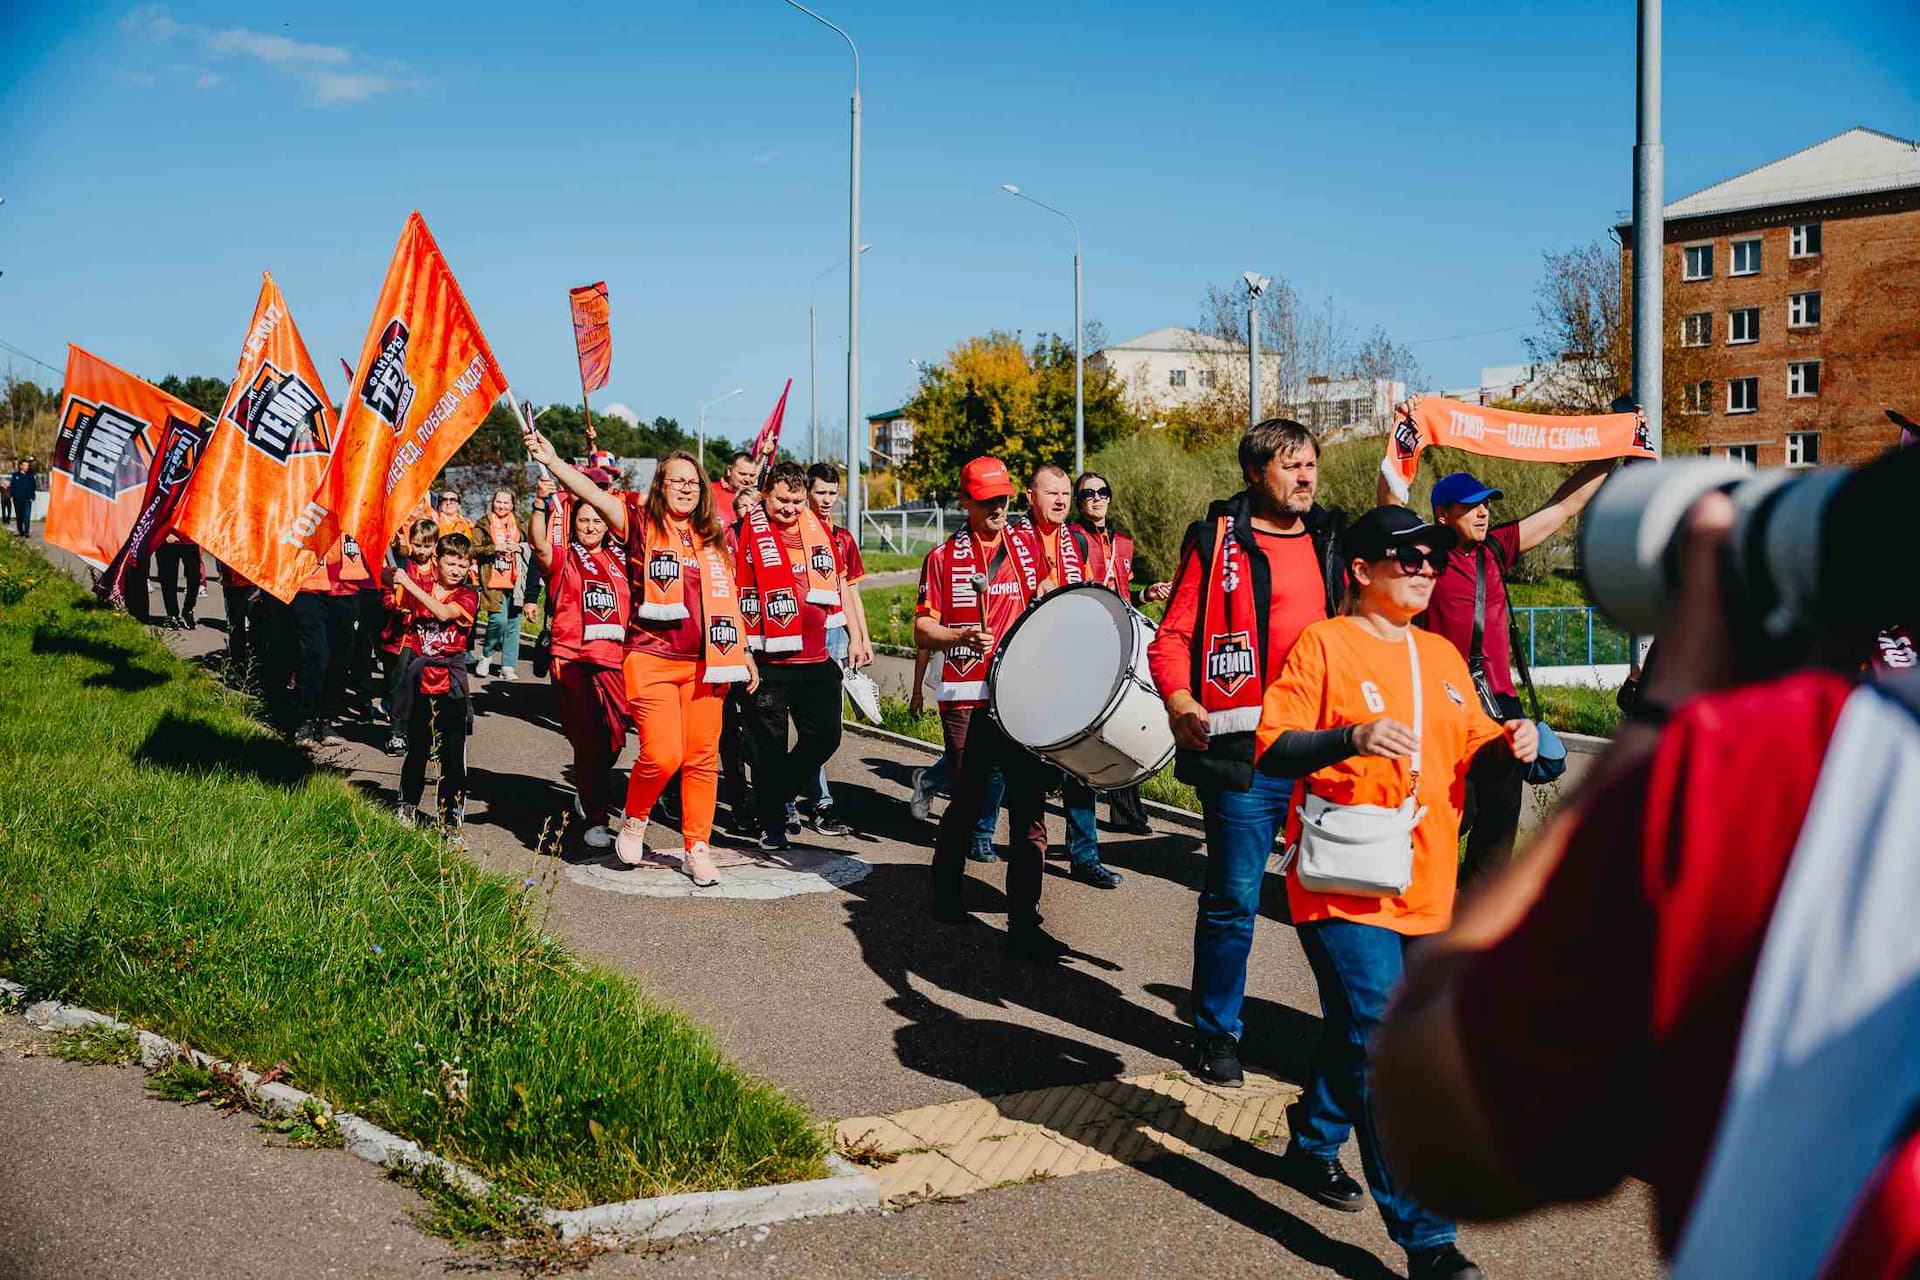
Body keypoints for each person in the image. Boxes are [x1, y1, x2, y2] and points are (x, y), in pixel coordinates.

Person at [1371, 448, 1920, 1280]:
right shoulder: (1439, 559)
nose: (1481, 516)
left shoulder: (1810, 774)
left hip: (1500, 738)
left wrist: (1669, 719)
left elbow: (1437, 1126)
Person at [1250, 504, 1536, 1280]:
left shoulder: (1442, 657)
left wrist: (1519, 741)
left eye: (1430, 560)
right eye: (1403, 557)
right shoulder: (1325, 644)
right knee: (1387, 1039)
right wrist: (1351, 737)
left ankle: (1312, 1138)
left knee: (1358, 1029)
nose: (1422, 568)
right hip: (1344, 882)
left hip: (1426, 881)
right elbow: (1273, 746)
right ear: (1362, 570)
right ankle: (1427, 1240)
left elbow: (1478, 740)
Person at [1147, 418, 1349, 1087]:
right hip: (1245, 757)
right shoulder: (1216, 542)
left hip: (1326, 751)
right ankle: (1216, 1034)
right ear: (1255, 472)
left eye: (1311, 465)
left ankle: (1347, 1036)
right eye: (1292, 466)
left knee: (1339, 900)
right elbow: (1171, 637)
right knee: (1234, 897)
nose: (1306, 477)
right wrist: (1179, 701)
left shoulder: (1331, 538)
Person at [528, 431, 755, 887]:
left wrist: (744, 652)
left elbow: (726, 601)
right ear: (661, 486)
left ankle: (697, 847)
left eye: (693, 482)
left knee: (702, 758)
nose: (686, 488)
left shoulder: (714, 539)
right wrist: (553, 462)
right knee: (664, 752)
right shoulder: (638, 523)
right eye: (677, 481)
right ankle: (635, 817)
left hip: (708, 663)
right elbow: (592, 493)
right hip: (650, 659)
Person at [1408, 449, 1618, 885]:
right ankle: (1416, 911)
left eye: (1487, 503)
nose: (1484, 512)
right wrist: (1403, 451)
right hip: (1445, 718)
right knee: (1448, 819)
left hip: (1504, 715)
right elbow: (1387, 506)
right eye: (1471, 505)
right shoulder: (1424, 561)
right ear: (1443, 514)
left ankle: (1467, 931)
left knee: (1496, 836)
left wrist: (1611, 455)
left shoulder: (1495, 551)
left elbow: (1562, 506)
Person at [917, 455, 1071, 961]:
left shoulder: (1028, 548)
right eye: (987, 501)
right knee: (967, 802)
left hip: (1021, 696)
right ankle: (945, 892)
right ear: (965, 501)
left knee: (1030, 810)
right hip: (966, 698)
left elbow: (1049, 595)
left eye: (1004, 499)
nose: (998, 508)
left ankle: (1024, 923)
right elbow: (922, 628)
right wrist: (959, 633)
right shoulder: (942, 558)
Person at [1012, 464, 1123, 889]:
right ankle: (982, 833)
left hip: (1070, 668)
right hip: (1027, 668)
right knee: (1013, 770)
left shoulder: (1076, 540)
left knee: (1080, 765)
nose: (1059, 500)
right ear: (1030, 496)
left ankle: (1084, 855)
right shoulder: (1015, 539)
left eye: (1064, 493)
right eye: (1051, 493)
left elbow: (1089, 592)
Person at [735, 460, 855, 847]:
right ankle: (772, 824)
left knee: (826, 736)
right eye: (782, 500)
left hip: (816, 656)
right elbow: (730, 596)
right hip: (767, 660)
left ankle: (775, 793)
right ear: (766, 492)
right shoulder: (744, 532)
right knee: (767, 748)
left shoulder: (817, 531)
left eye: (797, 501)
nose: (790, 508)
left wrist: (856, 634)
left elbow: (840, 584)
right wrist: (742, 651)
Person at [528, 481, 631, 850]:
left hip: (615, 660)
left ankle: (590, 788)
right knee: (589, 739)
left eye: (597, 521)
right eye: (583, 521)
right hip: (571, 656)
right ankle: (597, 818)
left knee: (615, 739)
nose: (589, 527)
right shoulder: (564, 556)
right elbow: (538, 542)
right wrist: (541, 503)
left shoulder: (620, 560)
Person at [1070, 469, 1172, 836]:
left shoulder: (1123, 544)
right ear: (1079, 503)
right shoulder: (1073, 540)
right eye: (1087, 494)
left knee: (1120, 722)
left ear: (1110, 498)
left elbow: (1124, 593)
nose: (1096, 498)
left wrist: (1148, 595)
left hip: (1120, 641)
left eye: (1102, 492)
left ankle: (1126, 812)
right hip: (1086, 643)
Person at [391, 532, 479, 844]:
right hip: (419, 679)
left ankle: (450, 821)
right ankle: (407, 806)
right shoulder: (418, 588)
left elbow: (444, 613)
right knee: (417, 749)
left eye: (462, 564)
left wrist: (408, 583)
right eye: (451, 562)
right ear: (436, 561)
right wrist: (393, 577)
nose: (456, 569)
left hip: (451, 681)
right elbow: (390, 595)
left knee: (453, 756)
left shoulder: (468, 596)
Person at [801, 462, 874, 821]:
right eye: (821, 492)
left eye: (833, 493)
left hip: (835, 633)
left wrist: (861, 638)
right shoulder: (796, 533)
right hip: (801, 633)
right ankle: (820, 799)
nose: (827, 500)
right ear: (807, 492)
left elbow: (851, 592)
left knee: (830, 723)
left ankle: (811, 789)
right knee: (807, 722)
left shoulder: (843, 538)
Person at [379, 519, 439, 753]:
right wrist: (397, 605)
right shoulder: (401, 567)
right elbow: (386, 596)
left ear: (434, 545)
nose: (422, 551)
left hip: (429, 637)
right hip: (402, 636)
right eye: (417, 545)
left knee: (425, 686)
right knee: (399, 684)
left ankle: (424, 733)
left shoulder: (438, 570)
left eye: (427, 546)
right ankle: (396, 732)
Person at [475, 489, 528, 679]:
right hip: (493, 579)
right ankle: (487, 656)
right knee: (498, 621)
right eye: (499, 502)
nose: (502, 506)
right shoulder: (483, 524)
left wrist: (520, 547)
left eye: (506, 503)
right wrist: (494, 548)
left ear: (513, 505)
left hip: (516, 580)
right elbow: (473, 550)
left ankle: (508, 666)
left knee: (514, 623)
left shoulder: (520, 525)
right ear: (493, 502)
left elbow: (532, 546)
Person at [153, 530, 203, 629]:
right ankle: (172, 614)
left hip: (189, 537)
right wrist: (164, 533)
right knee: (168, 578)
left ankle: (188, 610)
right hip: (167, 539)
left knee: (195, 576)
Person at [712, 451, 758, 527]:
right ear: (729, 471)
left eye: (751, 475)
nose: (747, 479)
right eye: (743, 474)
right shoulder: (709, 491)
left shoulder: (756, 498)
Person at [9, 460, 35, 537]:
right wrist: (12, 496)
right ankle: (21, 531)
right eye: (25, 465)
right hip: (17, 499)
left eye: (27, 465)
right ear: (21, 466)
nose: (27, 467)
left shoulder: (30, 476)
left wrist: (32, 496)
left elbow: (33, 486)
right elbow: (12, 486)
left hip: (27, 499)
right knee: (19, 516)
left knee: (26, 515)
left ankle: (27, 531)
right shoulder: (15, 475)